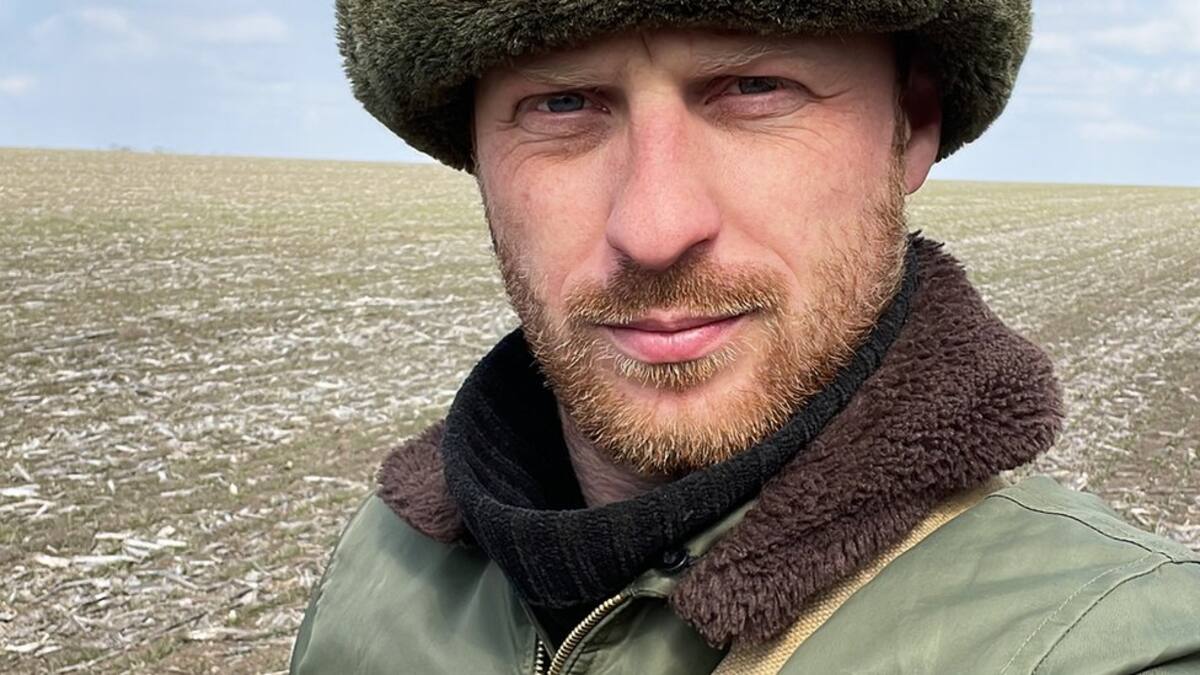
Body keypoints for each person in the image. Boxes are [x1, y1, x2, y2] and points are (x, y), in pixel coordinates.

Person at [291, 1, 1200, 673]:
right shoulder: (385, 565)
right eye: (562, 104)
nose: (655, 227)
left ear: (912, 125)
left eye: (755, 88)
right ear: (478, 159)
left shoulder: (1111, 644)